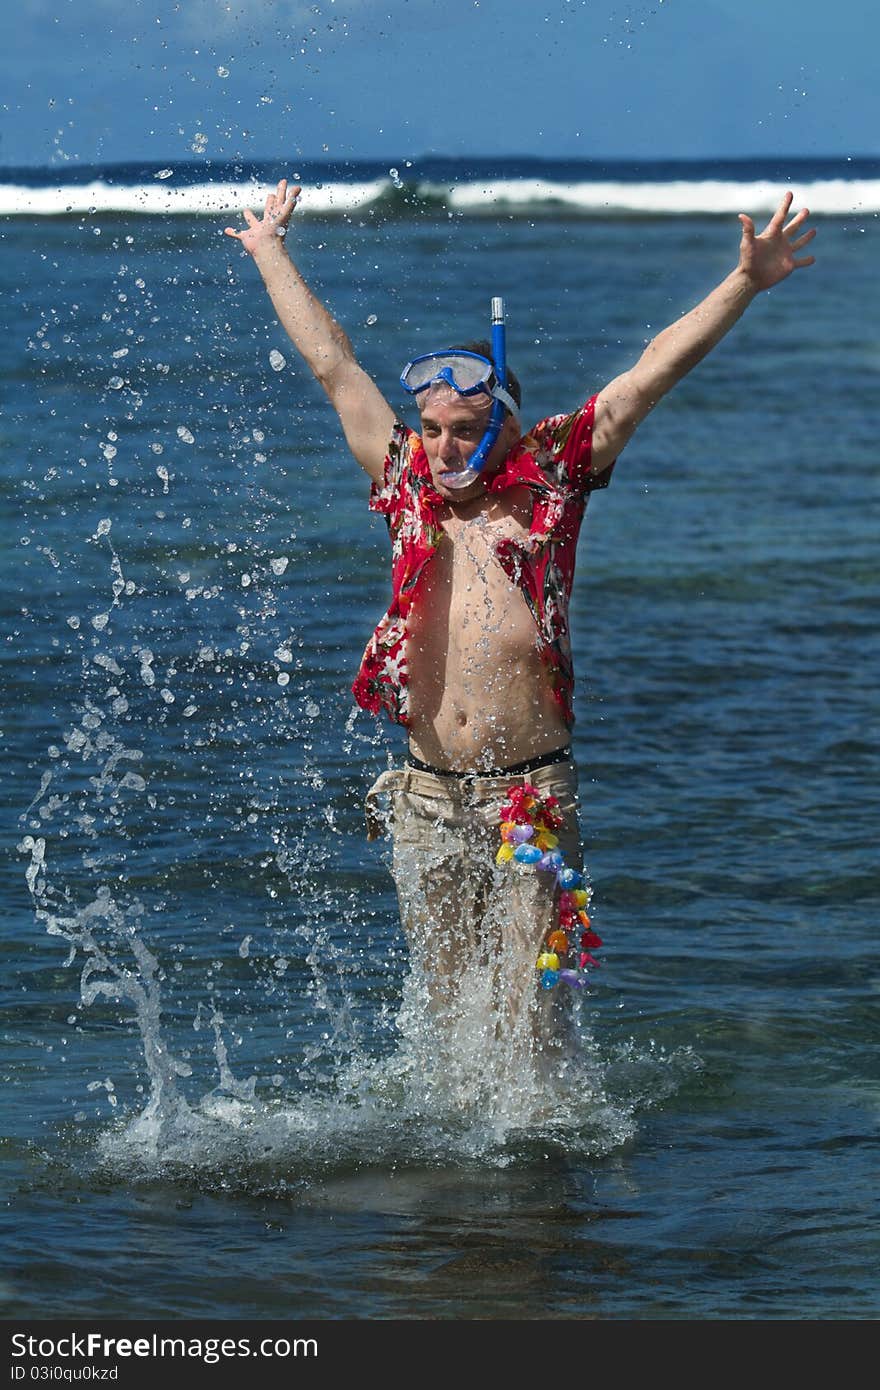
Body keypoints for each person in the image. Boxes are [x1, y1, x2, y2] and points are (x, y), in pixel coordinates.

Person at [225, 183, 815, 1071]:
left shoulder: (552, 484)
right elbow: (335, 367)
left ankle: (538, 1188)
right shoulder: (406, 490)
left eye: (465, 430)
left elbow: (648, 375)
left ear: (502, 423)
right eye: (431, 429)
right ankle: (463, 1199)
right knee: (449, 1018)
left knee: (528, 1028)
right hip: (427, 796)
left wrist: (746, 283)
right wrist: (270, 249)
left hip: (529, 797)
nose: (445, 448)